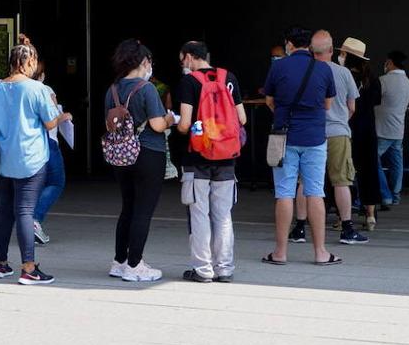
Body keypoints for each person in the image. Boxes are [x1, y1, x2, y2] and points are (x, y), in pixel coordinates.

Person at [0, 40, 68, 285]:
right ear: (29, 62)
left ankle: (0, 263)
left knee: (5, 210)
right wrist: (63, 116)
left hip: (3, 158)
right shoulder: (37, 89)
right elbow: (49, 123)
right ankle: (29, 268)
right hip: (30, 158)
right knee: (24, 211)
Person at [262, 26, 340, 266]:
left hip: (283, 137)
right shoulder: (323, 69)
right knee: (315, 192)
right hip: (315, 138)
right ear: (309, 45)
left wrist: (284, 115)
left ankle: (280, 252)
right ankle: (320, 252)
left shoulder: (278, 66)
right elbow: (327, 105)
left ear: (289, 44)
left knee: (284, 192)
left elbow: (269, 100)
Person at [175, 40, 246, 283]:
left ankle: (203, 270)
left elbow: (185, 124)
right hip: (227, 158)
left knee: (199, 213)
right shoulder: (229, 78)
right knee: (223, 215)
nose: (182, 63)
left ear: (189, 57)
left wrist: (178, 124)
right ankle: (225, 268)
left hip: (197, 158)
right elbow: (242, 119)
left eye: (182, 58)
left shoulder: (189, 82)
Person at [106, 39, 176, 282]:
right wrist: (170, 119)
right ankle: (135, 265)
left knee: (128, 207)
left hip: (120, 156)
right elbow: (157, 124)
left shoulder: (112, 89)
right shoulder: (146, 89)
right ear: (144, 62)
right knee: (143, 211)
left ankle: (120, 261)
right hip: (148, 153)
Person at [309, 31, 367, 245]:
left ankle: (298, 227)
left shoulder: (307, 72)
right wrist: (341, 118)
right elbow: (352, 107)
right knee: (341, 181)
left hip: (311, 133)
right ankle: (347, 228)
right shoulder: (343, 73)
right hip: (338, 133)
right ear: (332, 51)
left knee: (305, 182)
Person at [341, 38, 382, 230]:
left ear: (347, 57)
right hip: (368, 129)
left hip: (348, 129)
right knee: (369, 171)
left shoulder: (344, 75)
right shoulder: (372, 78)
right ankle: (370, 215)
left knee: (344, 174)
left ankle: (344, 217)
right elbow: (376, 101)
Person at [31, 59, 68, 246]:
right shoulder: (46, 90)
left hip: (28, 145)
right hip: (48, 142)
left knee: (33, 184)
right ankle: (34, 220)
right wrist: (65, 117)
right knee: (56, 182)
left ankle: (26, 221)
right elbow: (52, 117)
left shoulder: (15, 89)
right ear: (42, 75)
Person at [375, 50, 409, 207]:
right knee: (396, 162)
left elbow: (373, 100)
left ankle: (385, 194)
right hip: (398, 129)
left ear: (389, 63)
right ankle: (395, 195)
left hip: (382, 129)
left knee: (371, 160)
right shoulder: (407, 81)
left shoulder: (383, 81)